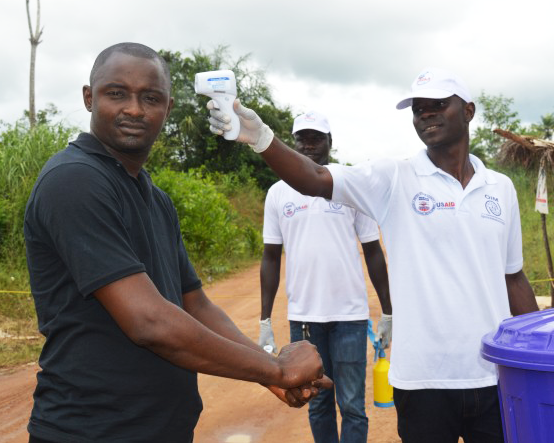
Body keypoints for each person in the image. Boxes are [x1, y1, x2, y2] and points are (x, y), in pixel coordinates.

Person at [207, 67, 540, 443]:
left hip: (494, 376)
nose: (426, 114)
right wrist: (262, 139)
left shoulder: (502, 189)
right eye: (418, 108)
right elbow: (315, 178)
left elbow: (513, 278)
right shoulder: (393, 179)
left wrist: (543, 353)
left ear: (468, 111)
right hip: (422, 382)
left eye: (438, 105)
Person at [23, 42, 332, 443]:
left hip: (162, 428)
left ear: (167, 109)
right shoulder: (74, 181)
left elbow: (194, 304)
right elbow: (149, 322)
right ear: (89, 98)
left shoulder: (155, 198)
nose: (134, 109)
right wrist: (277, 370)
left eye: (150, 98)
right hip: (90, 430)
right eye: (117, 93)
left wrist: (268, 371)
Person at [258, 111, 391, 443]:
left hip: (350, 317)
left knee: (352, 407)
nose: (308, 144)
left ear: (330, 143)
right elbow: (271, 257)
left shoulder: (348, 186)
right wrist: (263, 319)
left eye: (316, 138)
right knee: (315, 404)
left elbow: (373, 250)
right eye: (302, 137)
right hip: (304, 319)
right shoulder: (278, 193)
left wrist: (388, 310)